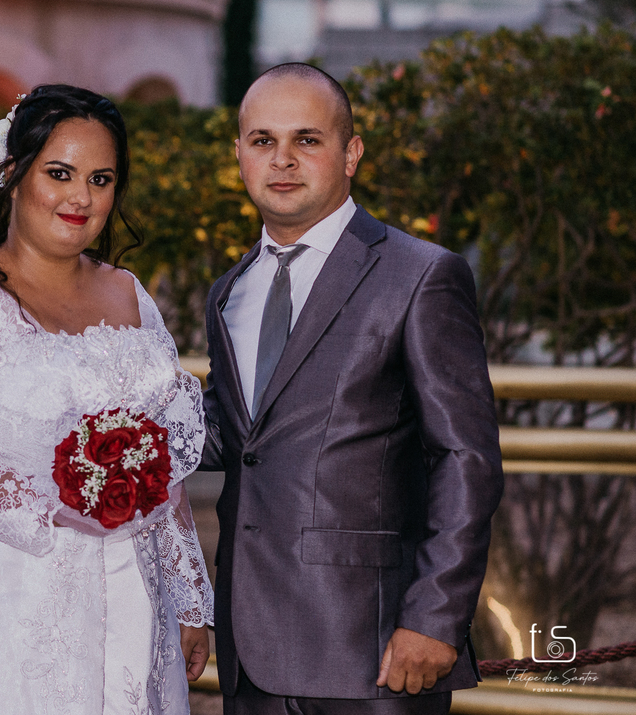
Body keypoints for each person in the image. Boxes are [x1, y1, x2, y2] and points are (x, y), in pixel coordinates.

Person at [0, 84, 214, 715]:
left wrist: (190, 598)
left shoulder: (129, 295)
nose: (80, 197)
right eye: (60, 173)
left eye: (100, 179)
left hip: (132, 598)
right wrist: (55, 501)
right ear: (13, 173)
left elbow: (158, 462)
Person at [200, 63, 504, 715]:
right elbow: (233, 437)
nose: (282, 159)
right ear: (239, 154)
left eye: (307, 139)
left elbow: (465, 457)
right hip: (249, 650)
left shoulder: (421, 275)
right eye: (262, 140)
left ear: (351, 153)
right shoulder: (229, 292)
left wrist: (435, 615)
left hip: (376, 652)